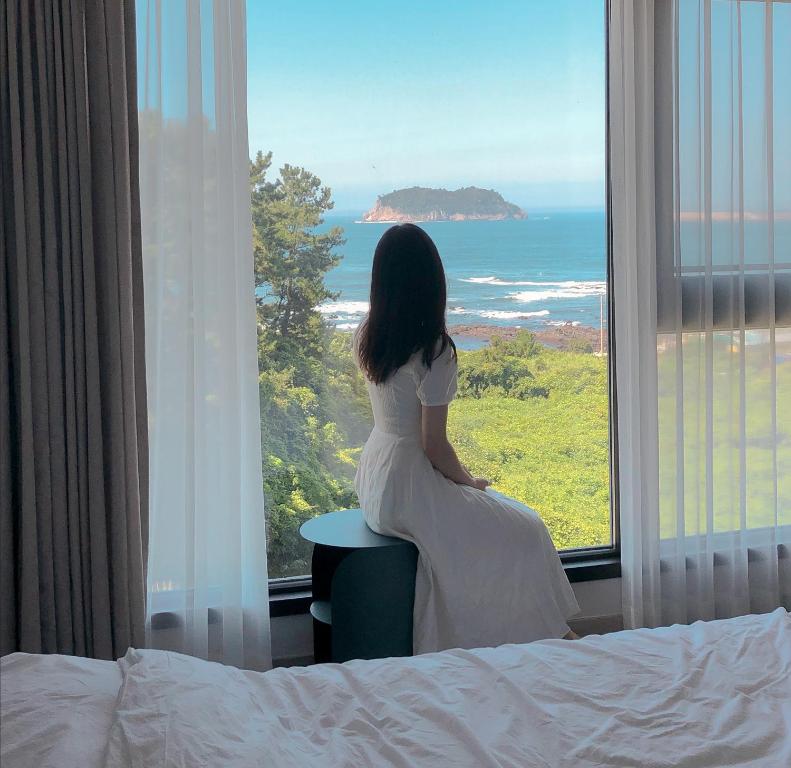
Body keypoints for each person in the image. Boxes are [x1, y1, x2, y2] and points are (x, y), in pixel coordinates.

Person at [354, 223, 580, 654]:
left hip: (376, 478)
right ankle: (543, 635)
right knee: (525, 527)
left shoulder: (369, 333)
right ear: (431, 281)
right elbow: (433, 445)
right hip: (409, 486)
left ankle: (533, 631)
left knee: (491, 532)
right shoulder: (433, 349)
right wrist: (468, 482)